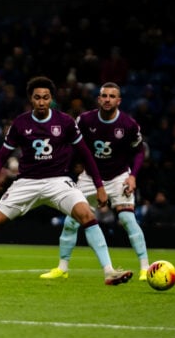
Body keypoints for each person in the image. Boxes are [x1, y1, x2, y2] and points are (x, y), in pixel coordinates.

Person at [0, 76, 133, 285]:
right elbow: (1, 156)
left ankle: (108, 270)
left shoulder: (65, 122)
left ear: (51, 98)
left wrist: (99, 186)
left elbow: (86, 155)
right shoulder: (21, 123)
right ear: (31, 99)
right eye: (37, 98)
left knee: (87, 215)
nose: (42, 102)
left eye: (46, 98)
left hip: (58, 181)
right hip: (26, 182)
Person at [41, 81, 150, 280]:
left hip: (118, 177)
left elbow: (139, 152)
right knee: (71, 222)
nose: (107, 99)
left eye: (112, 96)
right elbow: (74, 146)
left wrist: (133, 176)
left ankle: (145, 268)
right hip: (90, 178)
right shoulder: (85, 120)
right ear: (99, 99)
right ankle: (62, 268)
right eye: (104, 96)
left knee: (127, 219)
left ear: (119, 100)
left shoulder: (128, 124)